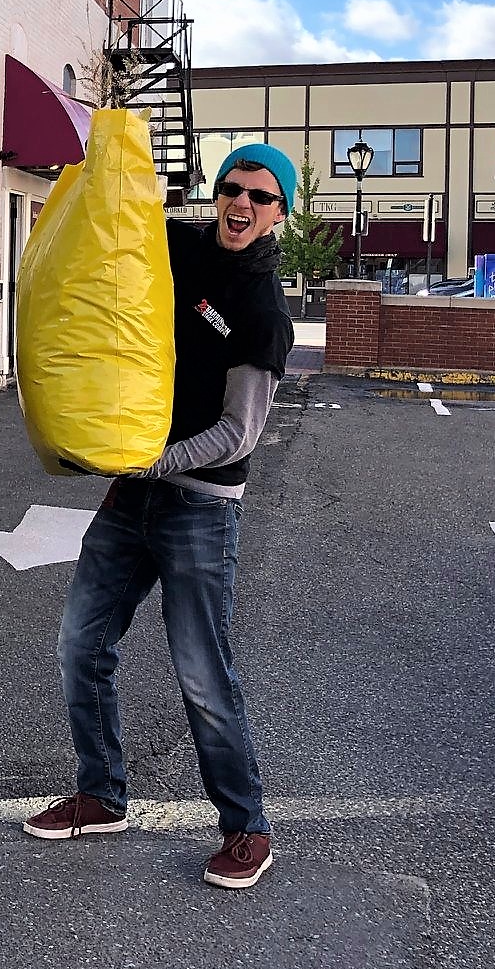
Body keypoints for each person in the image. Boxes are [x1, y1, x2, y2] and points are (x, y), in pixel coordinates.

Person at [24, 143, 297, 892]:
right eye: (233, 188)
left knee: (203, 675)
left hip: (200, 507)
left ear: (282, 213)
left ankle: (247, 827)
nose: (242, 204)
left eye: (261, 197)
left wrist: (146, 461)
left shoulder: (262, 310)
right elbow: (112, 238)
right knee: (81, 644)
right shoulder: (176, 246)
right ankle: (101, 793)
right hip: (131, 497)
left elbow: (237, 436)